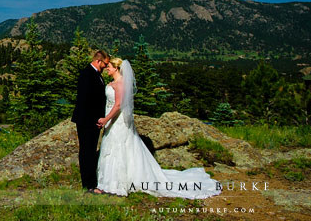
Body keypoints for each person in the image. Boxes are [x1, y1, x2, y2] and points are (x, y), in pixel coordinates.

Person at [95, 58, 222, 198]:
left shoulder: (119, 84)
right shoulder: (112, 83)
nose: (107, 68)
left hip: (117, 121)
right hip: (112, 121)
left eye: (109, 66)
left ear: (117, 68)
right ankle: (109, 182)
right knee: (115, 148)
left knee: (118, 148)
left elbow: (118, 105)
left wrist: (106, 119)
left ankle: (116, 184)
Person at [71, 50, 108, 193]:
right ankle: (89, 185)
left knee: (91, 151)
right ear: (98, 61)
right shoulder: (87, 74)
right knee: (87, 152)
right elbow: (86, 101)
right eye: (105, 63)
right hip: (87, 121)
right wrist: (96, 119)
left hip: (92, 121)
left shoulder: (96, 75)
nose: (105, 66)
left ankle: (91, 182)